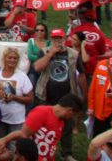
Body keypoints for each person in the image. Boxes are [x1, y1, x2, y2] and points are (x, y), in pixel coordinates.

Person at [33, 30, 87, 161]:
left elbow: (81, 74)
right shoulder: (44, 51)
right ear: (51, 39)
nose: (58, 41)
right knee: (44, 127)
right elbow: (37, 68)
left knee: (67, 126)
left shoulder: (73, 54)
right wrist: (51, 53)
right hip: (46, 96)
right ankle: (41, 152)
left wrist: (84, 94)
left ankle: (66, 153)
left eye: (60, 38)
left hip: (67, 96)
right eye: (55, 38)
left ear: (65, 38)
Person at [0, 94, 85, 161]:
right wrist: (4, 140)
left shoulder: (61, 122)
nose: (71, 118)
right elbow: (23, 134)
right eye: (73, 115)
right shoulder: (42, 112)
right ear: (69, 110)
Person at [0, 48, 34, 139]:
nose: (12, 60)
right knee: (0, 144)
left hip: (16, 120)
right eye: (10, 57)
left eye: (15, 58)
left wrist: (14, 97)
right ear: (4, 58)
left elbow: (30, 99)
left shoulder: (22, 76)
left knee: (13, 146)